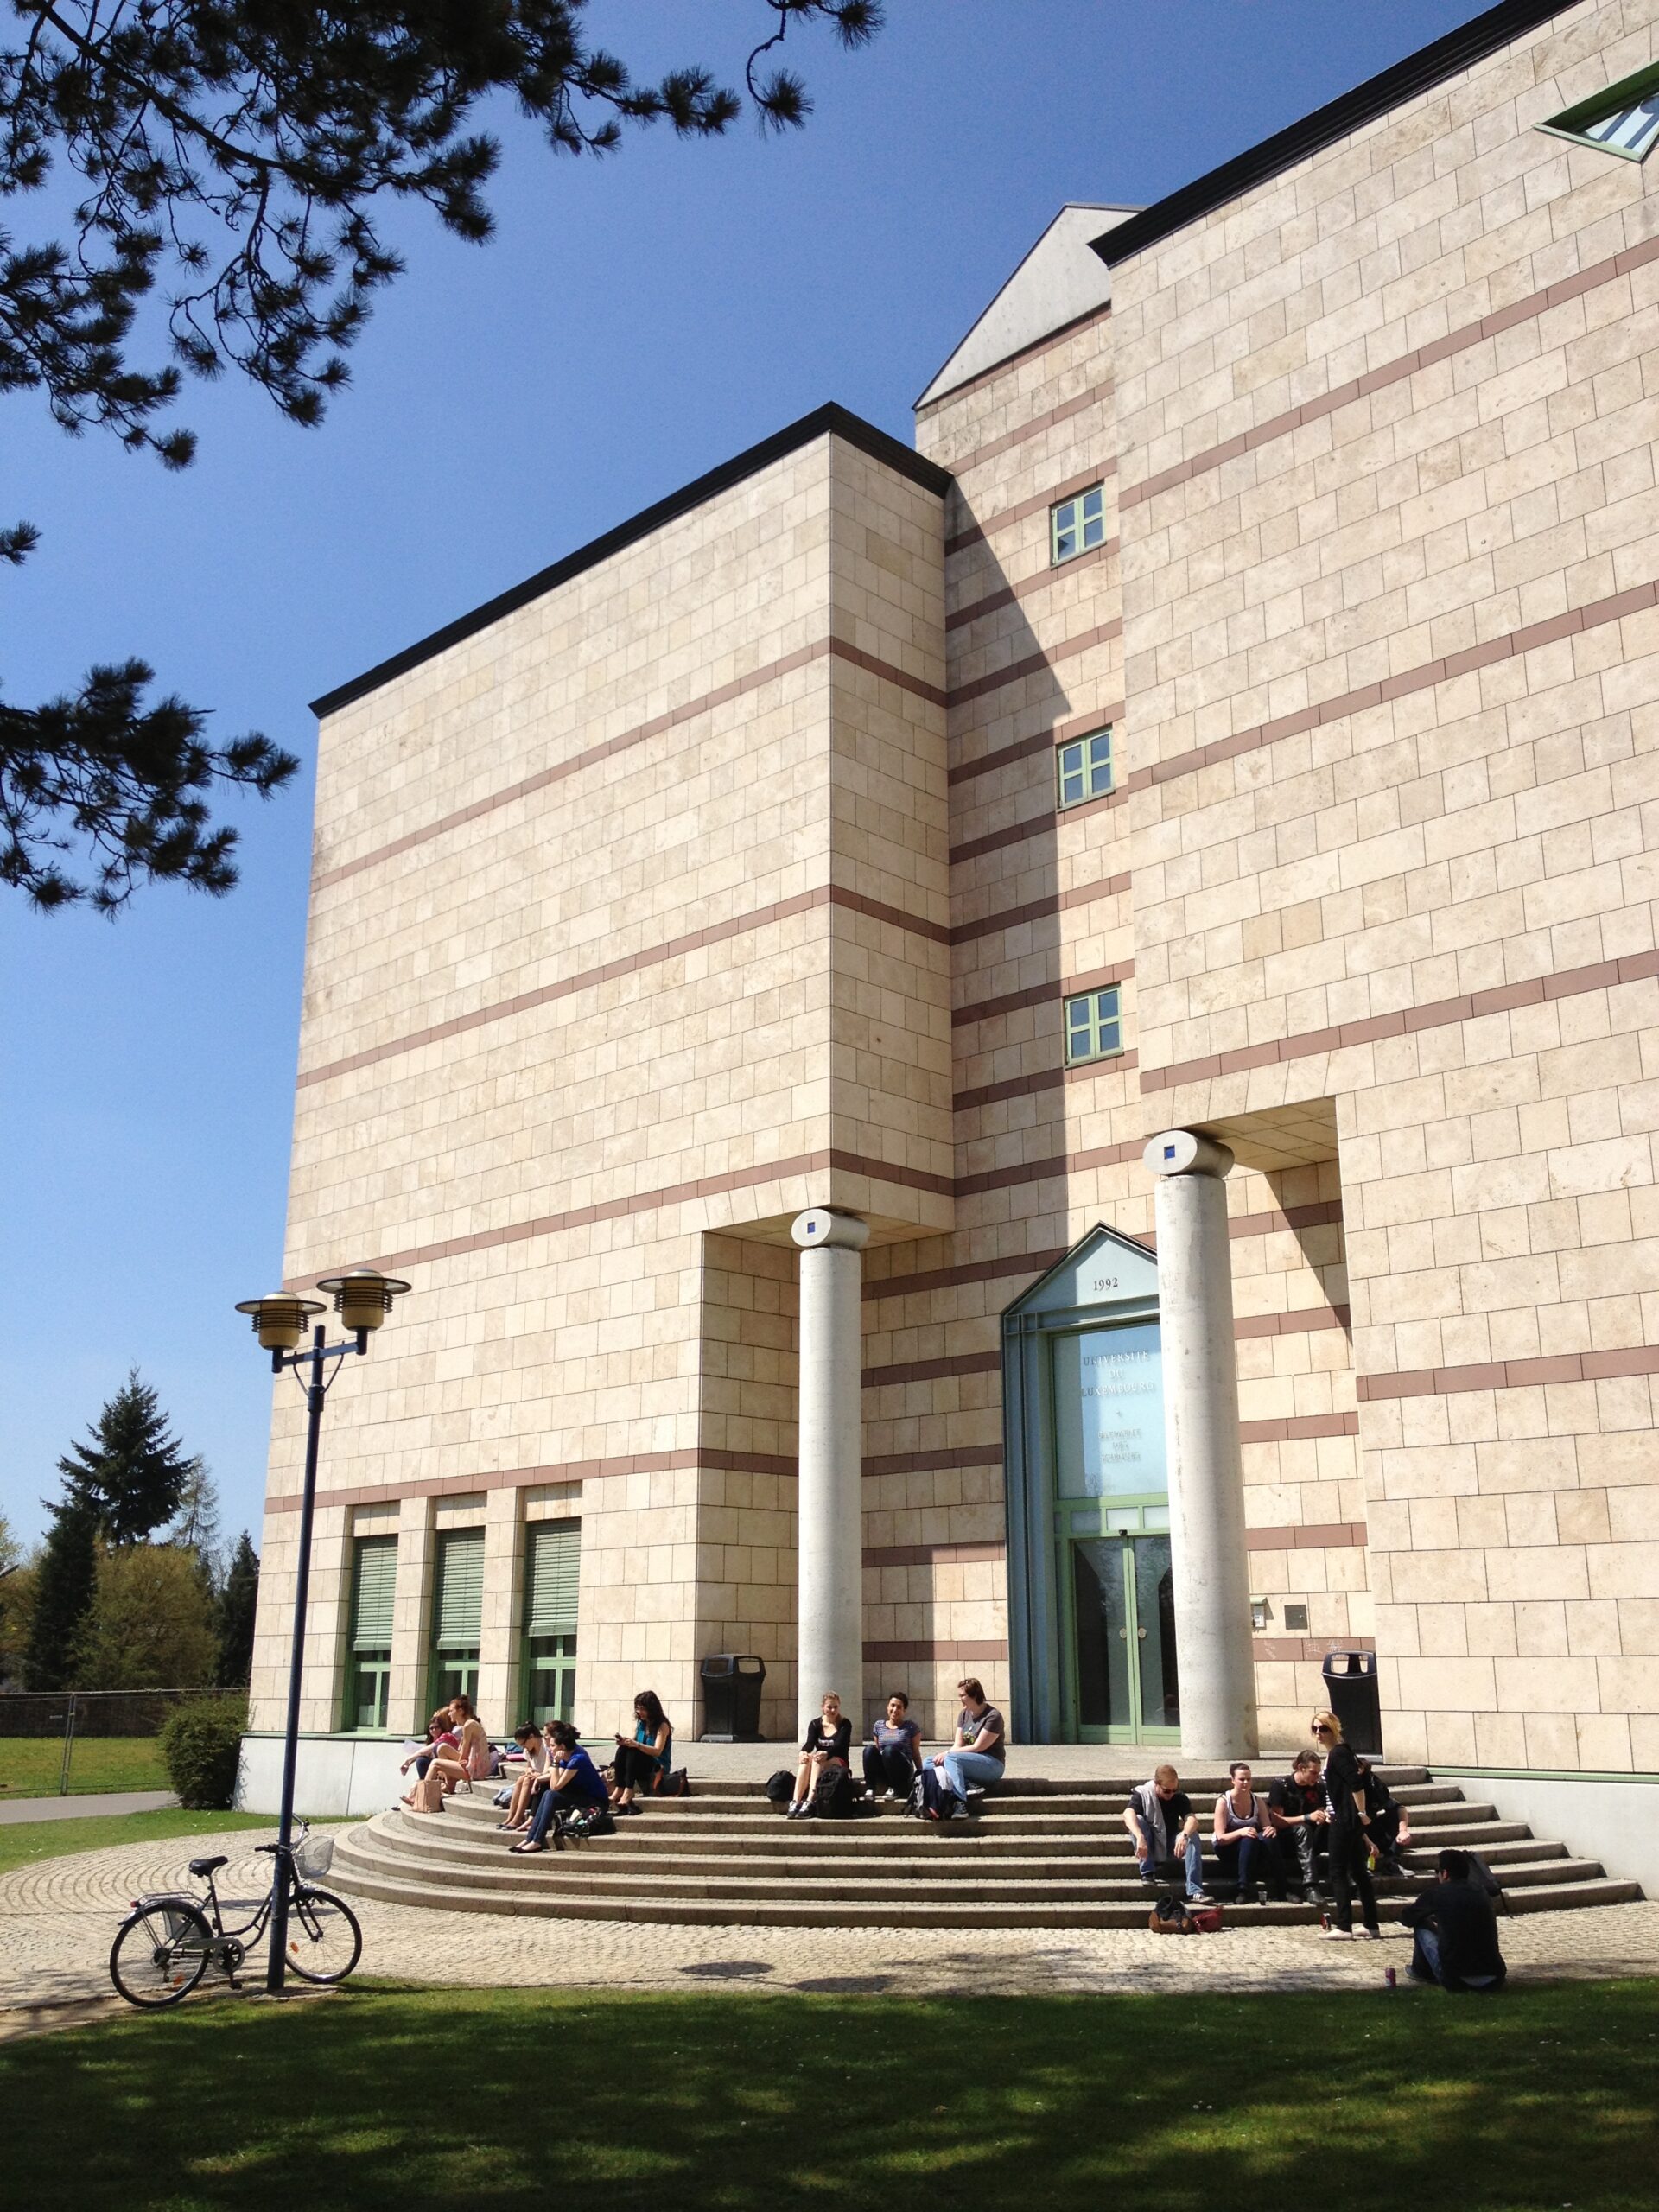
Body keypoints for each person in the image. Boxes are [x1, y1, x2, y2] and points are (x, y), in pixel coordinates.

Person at [1313, 1709, 1380, 1939]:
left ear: (1334, 1729)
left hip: (1344, 1820)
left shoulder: (1339, 1753)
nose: (1318, 1734)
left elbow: (1356, 1785)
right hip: (1343, 1817)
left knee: (1338, 1872)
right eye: (1315, 1729)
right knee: (1359, 1872)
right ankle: (1371, 1924)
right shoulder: (1339, 1753)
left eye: (1323, 1729)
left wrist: (1361, 1813)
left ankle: (1344, 1926)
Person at [1402, 1848, 1508, 1991]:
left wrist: (1429, 1916)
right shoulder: (1481, 1891)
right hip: (1495, 1976)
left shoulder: (1437, 1893)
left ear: (1445, 1873)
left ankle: (1421, 1971)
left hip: (1456, 1978)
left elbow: (1407, 1918)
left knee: (1421, 1923)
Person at [511, 1722, 610, 1853]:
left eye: (553, 1746)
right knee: (548, 1794)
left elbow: (556, 1786)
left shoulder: (577, 1759)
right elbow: (554, 1785)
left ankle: (537, 1840)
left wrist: (556, 1763)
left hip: (596, 1802)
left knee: (551, 1795)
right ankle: (530, 1838)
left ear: (562, 1747)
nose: (550, 1749)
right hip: (580, 1795)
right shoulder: (565, 1758)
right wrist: (557, 1764)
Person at [1125, 1764, 1213, 1903]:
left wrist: (1184, 1835)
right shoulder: (1144, 1794)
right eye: (1167, 1791)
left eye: (1174, 1790)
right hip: (1150, 1842)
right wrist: (1140, 1837)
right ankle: (1148, 1872)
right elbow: (1128, 1814)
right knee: (1138, 1820)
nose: (1171, 1794)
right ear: (1156, 1785)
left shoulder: (1178, 1797)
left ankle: (1195, 1890)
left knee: (1192, 1835)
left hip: (1171, 1843)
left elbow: (1192, 1820)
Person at [923, 1678, 1006, 1819]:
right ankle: (968, 1783)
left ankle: (959, 1802)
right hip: (967, 1761)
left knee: (951, 1757)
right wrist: (946, 1754)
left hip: (992, 1765)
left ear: (974, 1695)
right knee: (929, 1762)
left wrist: (948, 1753)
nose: (960, 1699)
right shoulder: (964, 1714)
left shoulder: (993, 1716)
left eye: (963, 1695)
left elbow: (978, 1747)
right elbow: (958, 1745)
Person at [1268, 1750, 1332, 1902]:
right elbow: (1277, 1822)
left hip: (1311, 1838)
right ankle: (1311, 1886)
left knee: (1337, 1826)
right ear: (1301, 1768)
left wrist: (1324, 1818)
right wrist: (1307, 1817)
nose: (1316, 1777)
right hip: (1287, 1839)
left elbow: (1320, 1811)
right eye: (1313, 1773)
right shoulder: (1281, 1786)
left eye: (1318, 1773)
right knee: (1303, 1829)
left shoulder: (1319, 1788)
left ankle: (1348, 1875)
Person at [1212, 1760, 1278, 1904]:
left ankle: (1282, 1885)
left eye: (1248, 1779)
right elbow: (1220, 1838)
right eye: (1241, 1779)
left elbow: (1267, 1826)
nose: (1245, 1783)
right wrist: (1241, 1832)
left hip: (1251, 1848)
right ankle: (1242, 1888)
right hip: (1227, 1848)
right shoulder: (1224, 1802)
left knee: (1269, 1838)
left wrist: (1270, 1829)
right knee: (1248, 1838)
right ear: (1233, 1780)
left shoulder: (1257, 1801)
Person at [609, 1689, 673, 1815]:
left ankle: (628, 1790)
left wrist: (636, 1745)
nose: (639, 1712)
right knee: (624, 1749)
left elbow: (657, 1751)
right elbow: (633, 1742)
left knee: (634, 1751)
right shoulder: (641, 1724)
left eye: (642, 1709)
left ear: (651, 1709)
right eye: (637, 1709)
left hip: (657, 1765)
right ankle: (620, 1788)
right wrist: (625, 1742)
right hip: (641, 1763)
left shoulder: (662, 1726)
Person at [789, 1691, 852, 1818]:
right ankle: (795, 1801)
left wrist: (826, 1753)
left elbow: (840, 1746)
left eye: (835, 1707)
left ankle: (810, 1800)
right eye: (829, 1707)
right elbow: (810, 1743)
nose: (833, 1710)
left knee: (818, 1759)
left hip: (839, 1761)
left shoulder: (845, 1724)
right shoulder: (815, 1724)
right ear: (822, 1707)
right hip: (820, 1760)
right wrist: (803, 1752)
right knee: (807, 1759)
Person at [862, 1690, 923, 1800]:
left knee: (889, 1750)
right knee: (869, 1750)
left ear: (904, 1710)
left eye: (899, 1707)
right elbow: (878, 1749)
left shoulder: (910, 1727)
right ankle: (870, 1788)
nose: (895, 1710)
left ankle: (894, 1788)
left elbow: (915, 1752)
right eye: (892, 1705)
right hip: (885, 1768)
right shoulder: (878, 1725)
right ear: (887, 1707)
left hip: (903, 1769)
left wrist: (920, 1773)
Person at [1357, 1757, 1412, 1874]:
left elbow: (1399, 1808)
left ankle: (1392, 1862)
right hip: (1355, 1833)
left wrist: (1403, 1830)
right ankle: (1360, 1867)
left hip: (1370, 1829)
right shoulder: (1345, 1788)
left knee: (1394, 1815)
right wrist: (1368, 1842)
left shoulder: (1374, 1786)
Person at [399, 1712, 460, 1810]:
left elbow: (424, 1751)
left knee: (421, 1761)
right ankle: (416, 1797)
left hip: (450, 1769)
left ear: (442, 1728)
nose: (434, 1730)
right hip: (440, 1769)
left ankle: (422, 1795)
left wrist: (407, 1760)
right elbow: (424, 1753)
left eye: (437, 1727)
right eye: (431, 1728)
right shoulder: (432, 1741)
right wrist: (408, 1764)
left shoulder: (446, 1737)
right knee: (421, 1762)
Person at [498, 1722, 550, 1832]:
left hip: (545, 1780)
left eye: (523, 1743)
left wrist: (537, 1775)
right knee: (522, 1778)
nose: (523, 1747)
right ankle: (511, 1816)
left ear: (531, 1737)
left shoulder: (546, 1748)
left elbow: (548, 1770)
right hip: (536, 1778)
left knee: (526, 1780)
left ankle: (517, 1818)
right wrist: (530, 1771)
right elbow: (530, 1766)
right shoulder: (529, 1751)